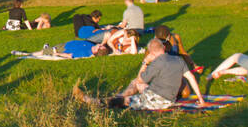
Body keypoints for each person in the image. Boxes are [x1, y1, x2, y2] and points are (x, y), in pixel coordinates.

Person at [73, 39, 205, 110]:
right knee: (139, 87)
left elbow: (140, 79)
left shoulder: (156, 63)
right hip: (169, 98)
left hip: (156, 100)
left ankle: (92, 101)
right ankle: (117, 96)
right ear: (163, 48)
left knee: (125, 99)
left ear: (152, 53)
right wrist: (201, 99)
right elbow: (191, 78)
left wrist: (144, 63)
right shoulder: (178, 60)